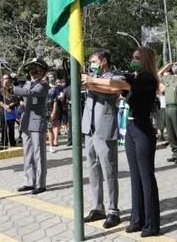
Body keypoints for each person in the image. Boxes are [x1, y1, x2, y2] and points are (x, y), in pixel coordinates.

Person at [81, 46, 161, 237]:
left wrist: (91, 80)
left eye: (137, 58)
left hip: (143, 129)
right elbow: (113, 85)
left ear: (146, 60)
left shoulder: (147, 78)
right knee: (135, 177)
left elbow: (118, 86)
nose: (133, 60)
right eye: (133, 57)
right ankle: (137, 220)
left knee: (146, 177)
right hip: (132, 129)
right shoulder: (134, 76)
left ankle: (151, 224)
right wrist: (91, 84)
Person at [81, 50, 122, 229]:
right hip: (89, 128)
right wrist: (88, 81)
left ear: (104, 61)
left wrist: (90, 84)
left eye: (94, 61)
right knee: (93, 169)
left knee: (109, 170)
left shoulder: (115, 76)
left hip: (104, 128)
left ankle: (113, 210)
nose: (92, 64)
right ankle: (98, 207)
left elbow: (111, 91)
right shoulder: (92, 77)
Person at [11, 58, 50, 195]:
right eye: (31, 70)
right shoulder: (28, 84)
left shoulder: (43, 85)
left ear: (41, 72)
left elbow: (30, 93)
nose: (32, 72)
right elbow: (20, 94)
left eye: (36, 70)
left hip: (37, 122)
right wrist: (8, 92)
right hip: (26, 121)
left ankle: (40, 183)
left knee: (38, 154)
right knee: (27, 153)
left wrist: (13, 89)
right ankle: (30, 181)